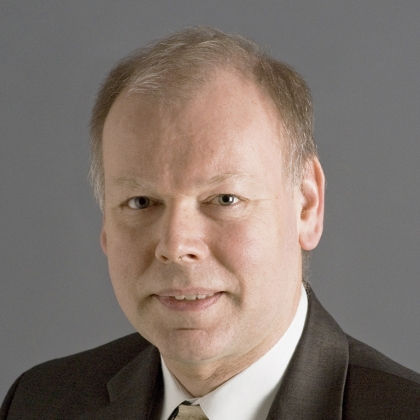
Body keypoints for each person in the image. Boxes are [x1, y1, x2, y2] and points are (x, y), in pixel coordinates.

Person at [1, 26, 419, 420]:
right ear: (106, 224)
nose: (175, 245)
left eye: (225, 199)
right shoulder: (38, 403)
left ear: (307, 206)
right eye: (141, 201)